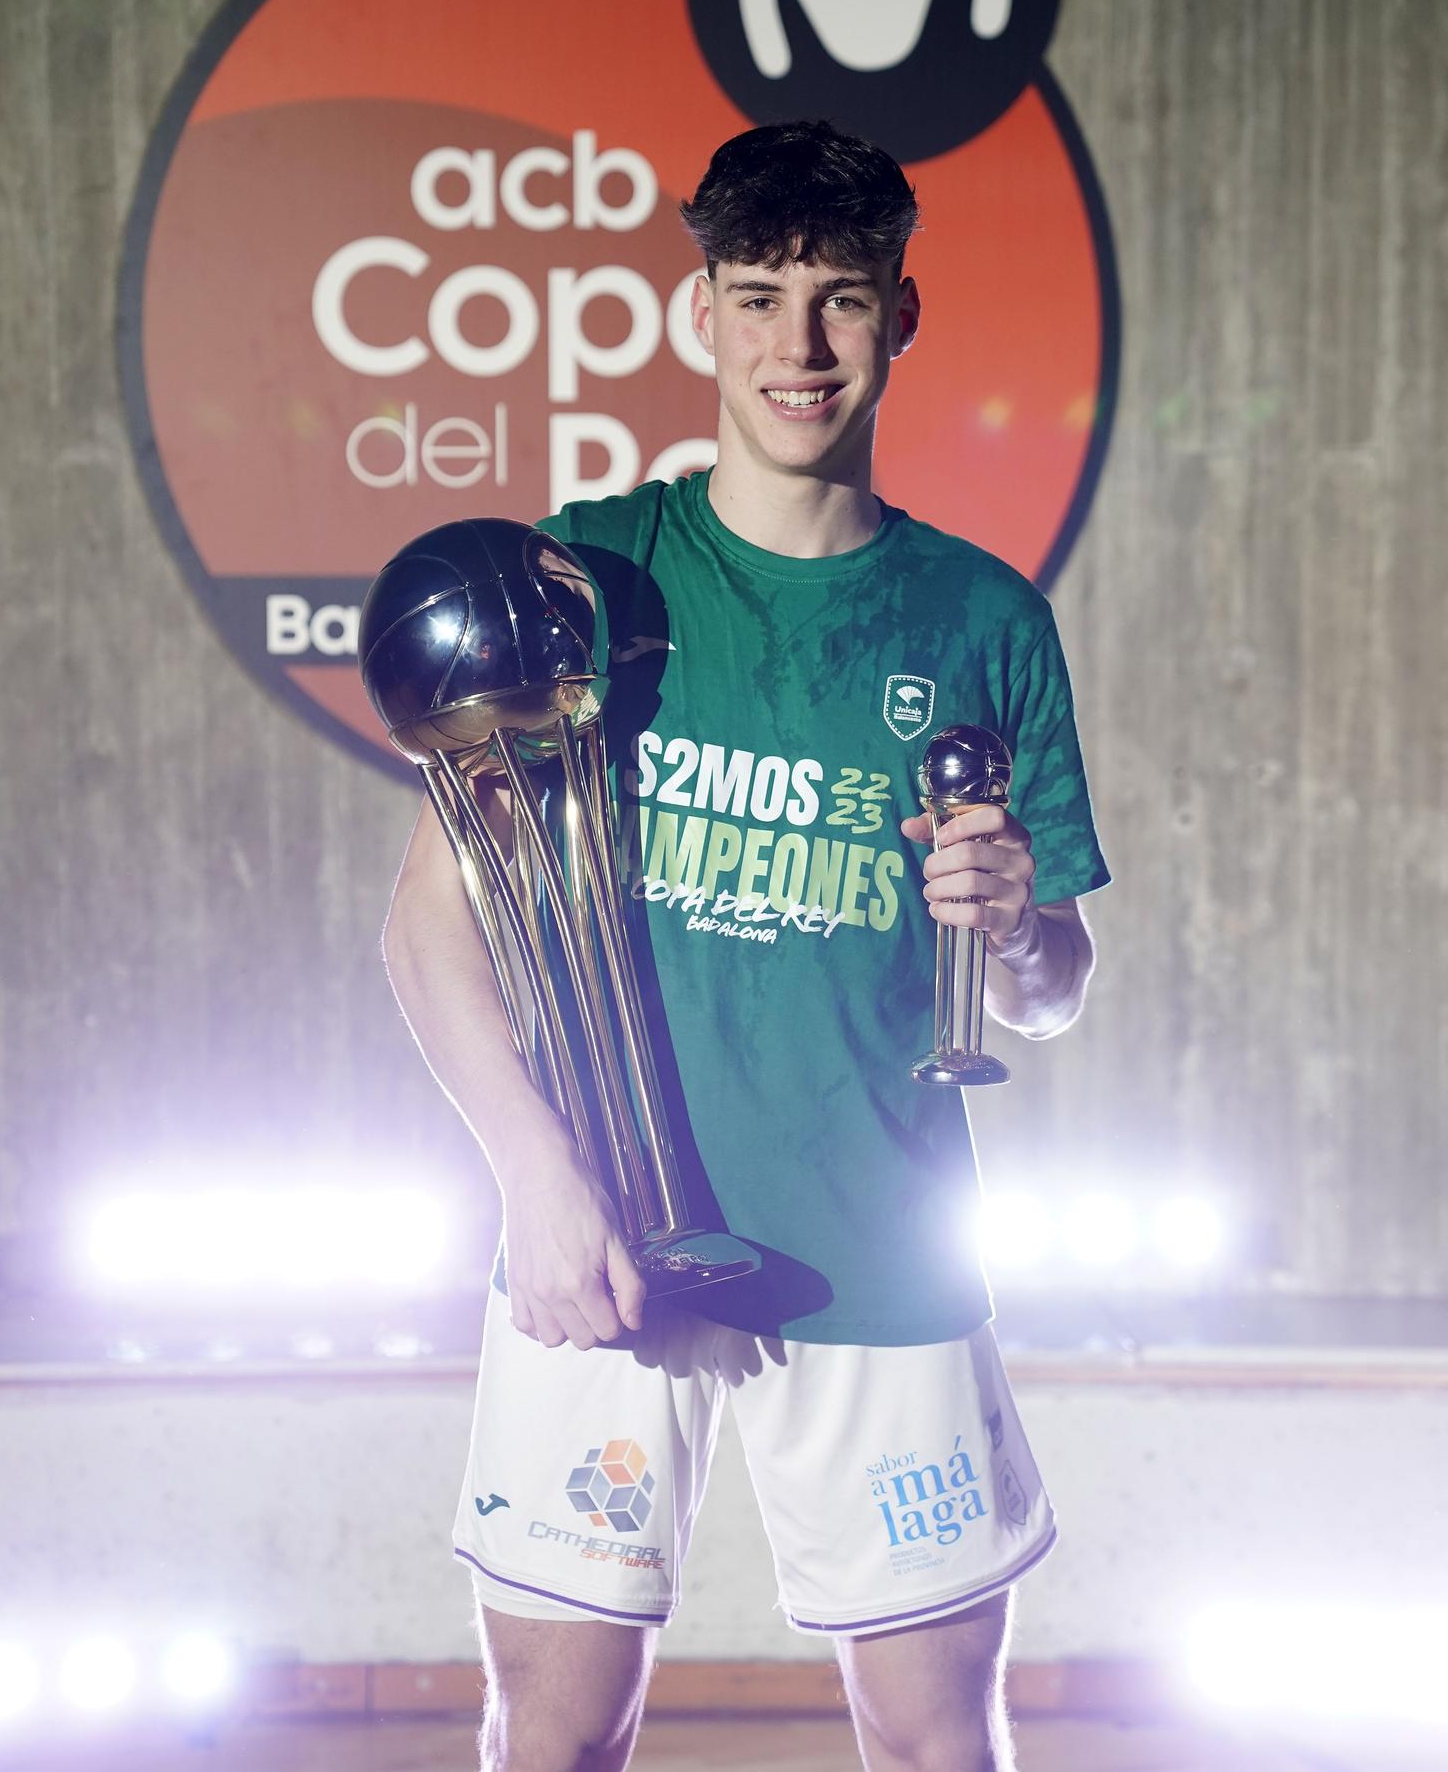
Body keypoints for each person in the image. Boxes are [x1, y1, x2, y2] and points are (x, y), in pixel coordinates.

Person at [382, 120, 1109, 1772]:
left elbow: (1054, 994)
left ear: (900, 319)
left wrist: (1014, 935)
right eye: (760, 294)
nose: (798, 346)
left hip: (879, 1234)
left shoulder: (981, 621)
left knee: (937, 1744)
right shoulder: (597, 570)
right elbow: (427, 933)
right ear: (698, 309)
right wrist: (536, 1183)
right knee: (552, 1737)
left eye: (841, 301)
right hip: (609, 1237)